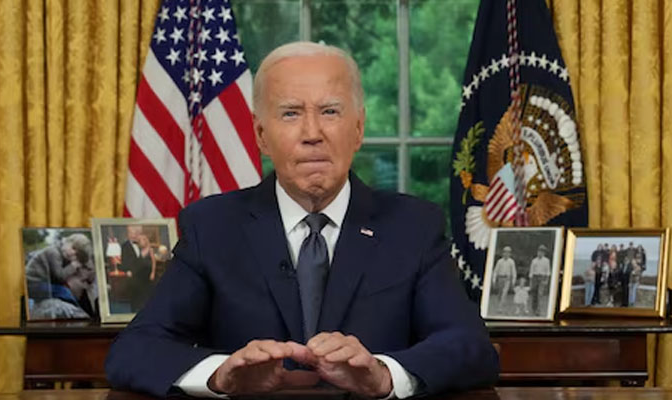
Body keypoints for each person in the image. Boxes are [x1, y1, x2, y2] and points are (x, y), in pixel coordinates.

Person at [105, 42, 498, 398]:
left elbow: (469, 346)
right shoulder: (211, 226)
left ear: (358, 128)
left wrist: (383, 376)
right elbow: (135, 350)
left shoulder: (413, 226)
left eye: (330, 111)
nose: (313, 133)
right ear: (261, 134)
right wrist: (220, 376)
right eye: (291, 113)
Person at [25, 233, 96, 319]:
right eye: (73, 248)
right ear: (66, 241)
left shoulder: (60, 254)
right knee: (64, 291)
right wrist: (73, 266)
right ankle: (78, 310)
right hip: (33, 283)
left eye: (76, 255)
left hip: (39, 284)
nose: (72, 253)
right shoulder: (53, 252)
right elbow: (60, 277)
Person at [492, 246, 517, 312]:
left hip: (507, 279)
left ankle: (500, 308)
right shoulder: (499, 261)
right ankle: (500, 304)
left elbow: (514, 272)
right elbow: (495, 271)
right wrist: (494, 280)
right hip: (500, 278)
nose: (506, 254)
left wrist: (513, 281)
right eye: (505, 252)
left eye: (508, 252)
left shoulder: (511, 262)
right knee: (500, 293)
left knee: (504, 293)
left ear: (510, 254)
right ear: (503, 253)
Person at [528, 245, 551, 316]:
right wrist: (531, 280)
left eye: (542, 252)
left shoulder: (546, 261)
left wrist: (546, 280)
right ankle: (533, 309)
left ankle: (538, 310)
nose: (540, 253)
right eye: (539, 251)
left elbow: (548, 271)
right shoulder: (534, 260)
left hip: (542, 278)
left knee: (540, 294)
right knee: (534, 294)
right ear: (537, 252)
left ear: (544, 253)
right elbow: (531, 271)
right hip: (535, 277)